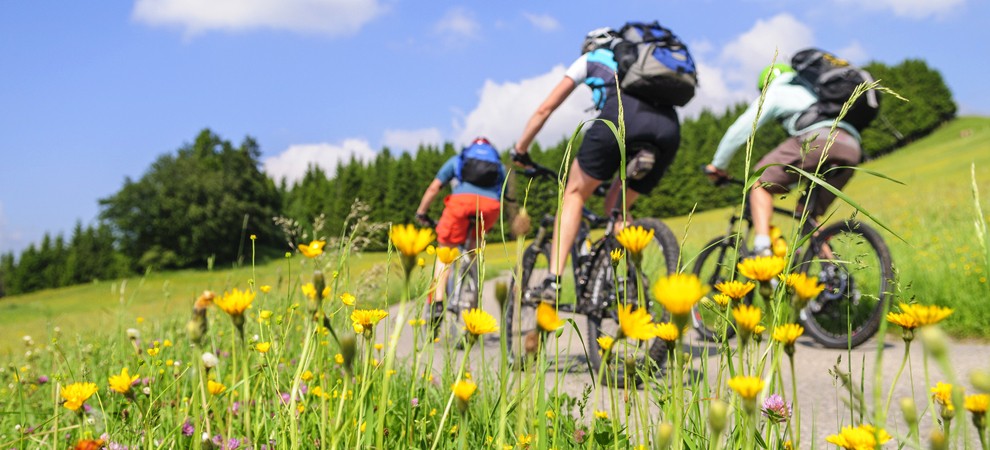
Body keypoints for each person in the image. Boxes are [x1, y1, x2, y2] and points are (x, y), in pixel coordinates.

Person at [511, 27, 682, 302]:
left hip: (622, 117)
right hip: (668, 128)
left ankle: (552, 283)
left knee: (574, 193)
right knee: (617, 207)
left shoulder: (592, 58)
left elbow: (545, 109)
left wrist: (520, 150)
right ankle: (628, 279)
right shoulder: (643, 59)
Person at [705, 63, 863, 255]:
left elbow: (740, 130)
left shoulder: (777, 91)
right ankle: (837, 275)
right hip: (852, 147)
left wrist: (718, 165)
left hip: (818, 139)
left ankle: (762, 249)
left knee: (759, 182)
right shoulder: (814, 92)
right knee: (807, 215)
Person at [416, 137, 506, 310]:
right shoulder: (499, 166)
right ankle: (475, 293)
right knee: (475, 250)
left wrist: (422, 212)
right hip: (489, 208)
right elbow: (506, 195)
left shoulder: (458, 160)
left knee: (445, 252)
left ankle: (438, 302)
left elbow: (434, 188)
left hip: (460, 204)